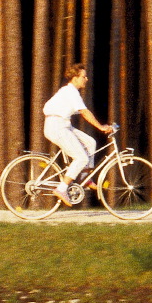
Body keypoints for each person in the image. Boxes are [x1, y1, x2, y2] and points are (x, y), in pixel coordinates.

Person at [42, 65, 111, 202]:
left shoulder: (71, 92)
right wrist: (101, 127)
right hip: (57, 127)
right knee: (81, 158)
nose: (86, 79)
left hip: (63, 125)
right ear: (75, 78)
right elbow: (85, 112)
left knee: (91, 142)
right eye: (83, 76)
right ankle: (61, 188)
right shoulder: (70, 92)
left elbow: (80, 111)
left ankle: (85, 178)